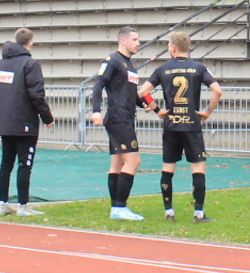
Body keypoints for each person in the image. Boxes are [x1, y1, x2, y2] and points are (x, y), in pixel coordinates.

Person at [140, 30, 222, 222]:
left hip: (171, 125)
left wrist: (158, 110)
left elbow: (143, 91)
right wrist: (207, 111)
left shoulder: (162, 69)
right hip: (192, 125)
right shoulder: (199, 67)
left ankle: (169, 212)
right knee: (198, 168)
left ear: (173, 49)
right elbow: (217, 90)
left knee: (168, 167)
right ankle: (199, 213)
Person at [0, 27, 52, 217]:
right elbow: (36, 94)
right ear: (30, 43)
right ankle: (23, 206)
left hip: (5, 122)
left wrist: (0, 114)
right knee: (25, 164)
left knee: (6, 163)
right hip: (24, 123)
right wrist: (47, 116)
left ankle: (3, 203)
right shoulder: (30, 64)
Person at [89, 26, 146, 222]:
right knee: (133, 161)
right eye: (135, 39)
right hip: (118, 118)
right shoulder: (112, 61)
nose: (138, 43)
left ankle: (115, 207)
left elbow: (129, 91)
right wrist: (96, 111)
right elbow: (98, 85)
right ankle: (120, 207)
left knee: (117, 164)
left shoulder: (130, 65)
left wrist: (143, 103)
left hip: (127, 117)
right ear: (123, 41)